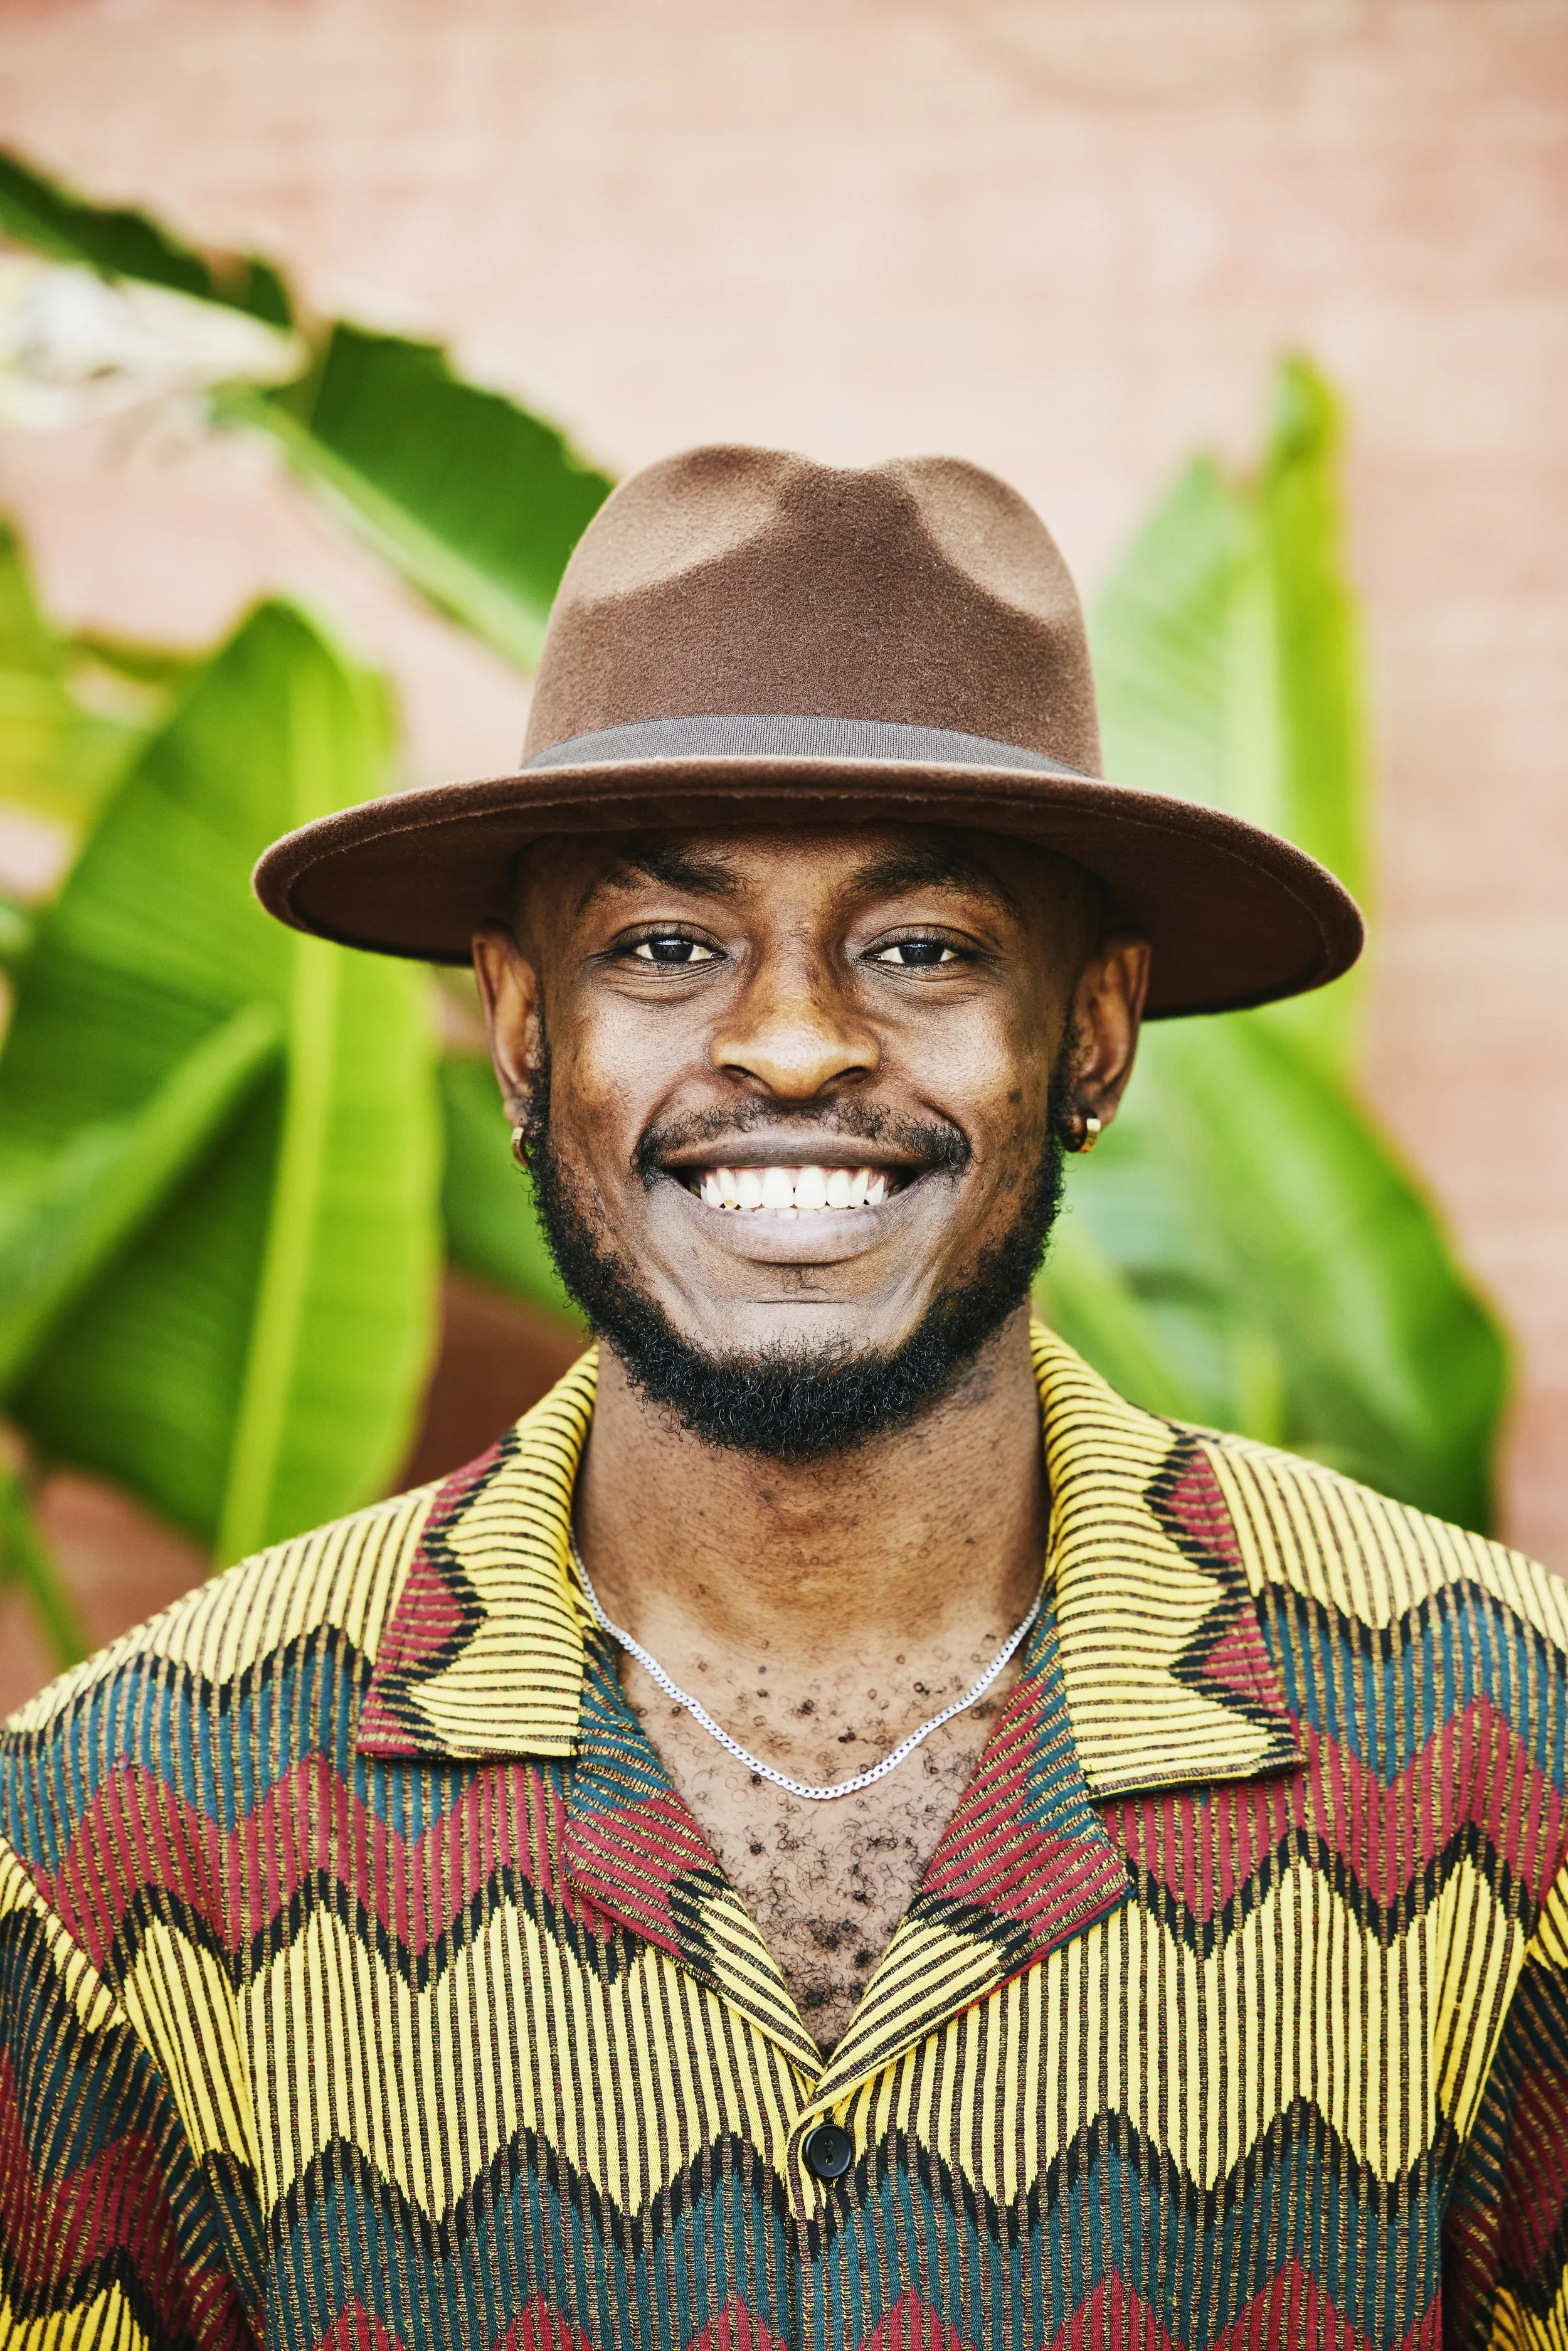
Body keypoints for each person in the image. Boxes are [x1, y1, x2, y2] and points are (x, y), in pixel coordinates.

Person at [3, 447, 1564, 2351]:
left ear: (1090, 1029)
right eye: (666, 949)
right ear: (518, 1030)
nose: (798, 1037)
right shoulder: (133, 1817)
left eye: (921, 948)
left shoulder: (1500, 1752)